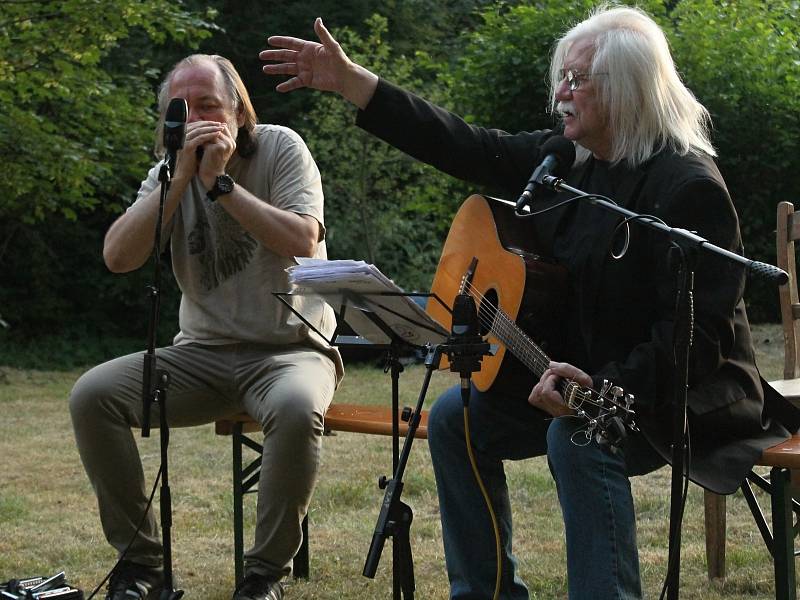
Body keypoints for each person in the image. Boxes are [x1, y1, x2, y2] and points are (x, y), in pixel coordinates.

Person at [260, 6, 800, 600]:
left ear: (625, 89)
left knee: (578, 437)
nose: (562, 95)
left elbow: (696, 343)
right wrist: (355, 84)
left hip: (676, 393)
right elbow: (465, 145)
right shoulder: (567, 161)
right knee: (454, 418)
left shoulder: (687, 188)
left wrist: (598, 389)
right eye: (561, 79)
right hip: (567, 378)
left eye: (578, 81)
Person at [69, 54, 343, 600]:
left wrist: (220, 185)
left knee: (292, 407)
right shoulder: (168, 171)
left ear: (239, 111)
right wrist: (182, 178)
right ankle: (143, 565)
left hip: (290, 349)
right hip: (201, 354)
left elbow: (303, 242)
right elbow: (119, 257)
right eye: (183, 108)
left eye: (209, 105)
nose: (196, 118)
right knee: (91, 396)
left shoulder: (281, 148)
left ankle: (264, 575)